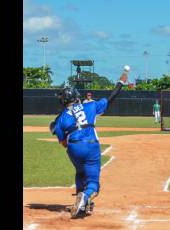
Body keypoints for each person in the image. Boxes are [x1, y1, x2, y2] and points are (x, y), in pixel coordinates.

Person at [49, 68, 128, 218]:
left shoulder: (59, 119)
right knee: (93, 183)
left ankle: (84, 203)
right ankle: (85, 198)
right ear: (76, 97)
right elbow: (111, 97)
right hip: (91, 144)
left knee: (80, 172)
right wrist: (120, 82)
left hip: (73, 147)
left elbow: (64, 143)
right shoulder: (90, 106)